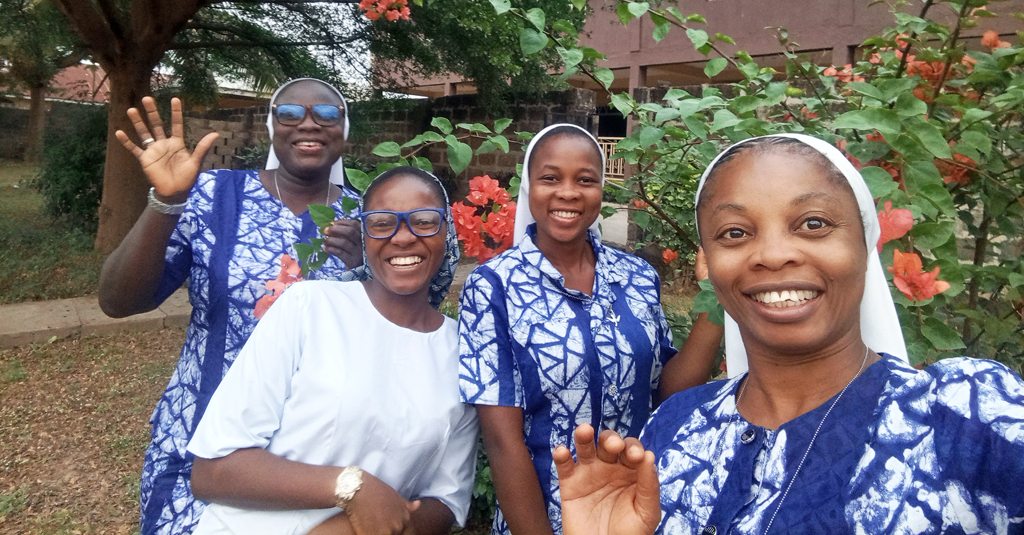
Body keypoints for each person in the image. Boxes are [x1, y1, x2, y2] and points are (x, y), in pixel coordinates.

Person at [553, 133, 1024, 535]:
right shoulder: (675, 427)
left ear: (865, 244)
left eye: (813, 224)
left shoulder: (968, 417)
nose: (774, 255)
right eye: (735, 233)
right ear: (709, 264)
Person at [98, 79, 401, 535]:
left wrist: (367, 269)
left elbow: (392, 336)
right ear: (272, 127)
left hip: (316, 457)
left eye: (327, 114)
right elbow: (118, 301)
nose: (309, 124)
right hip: (200, 439)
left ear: (345, 130)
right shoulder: (213, 195)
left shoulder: (368, 219)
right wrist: (168, 201)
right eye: (290, 114)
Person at [458, 123, 724, 535]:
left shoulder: (637, 276)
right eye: (550, 178)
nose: (568, 192)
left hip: (640, 512)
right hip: (544, 518)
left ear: (602, 189)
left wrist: (713, 300)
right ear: (529, 187)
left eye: (585, 180)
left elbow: (666, 395)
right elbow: (502, 442)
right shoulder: (494, 286)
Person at [186, 165, 478, 535]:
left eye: (423, 221)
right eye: (382, 223)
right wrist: (350, 487)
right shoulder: (310, 307)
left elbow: (447, 499)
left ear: (447, 232)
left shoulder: (462, 353)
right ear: (364, 235)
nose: (403, 237)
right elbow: (213, 470)